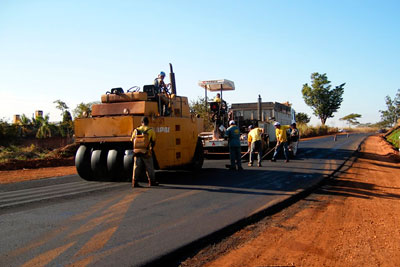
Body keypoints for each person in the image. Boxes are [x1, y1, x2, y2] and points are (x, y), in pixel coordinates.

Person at [131, 116, 158, 187]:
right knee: (149, 167)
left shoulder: (136, 130)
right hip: (146, 151)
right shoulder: (150, 130)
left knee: (136, 167)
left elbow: (132, 140)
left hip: (137, 152)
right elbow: (153, 141)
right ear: (148, 122)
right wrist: (151, 148)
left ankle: (134, 182)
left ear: (141, 122)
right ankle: (152, 181)